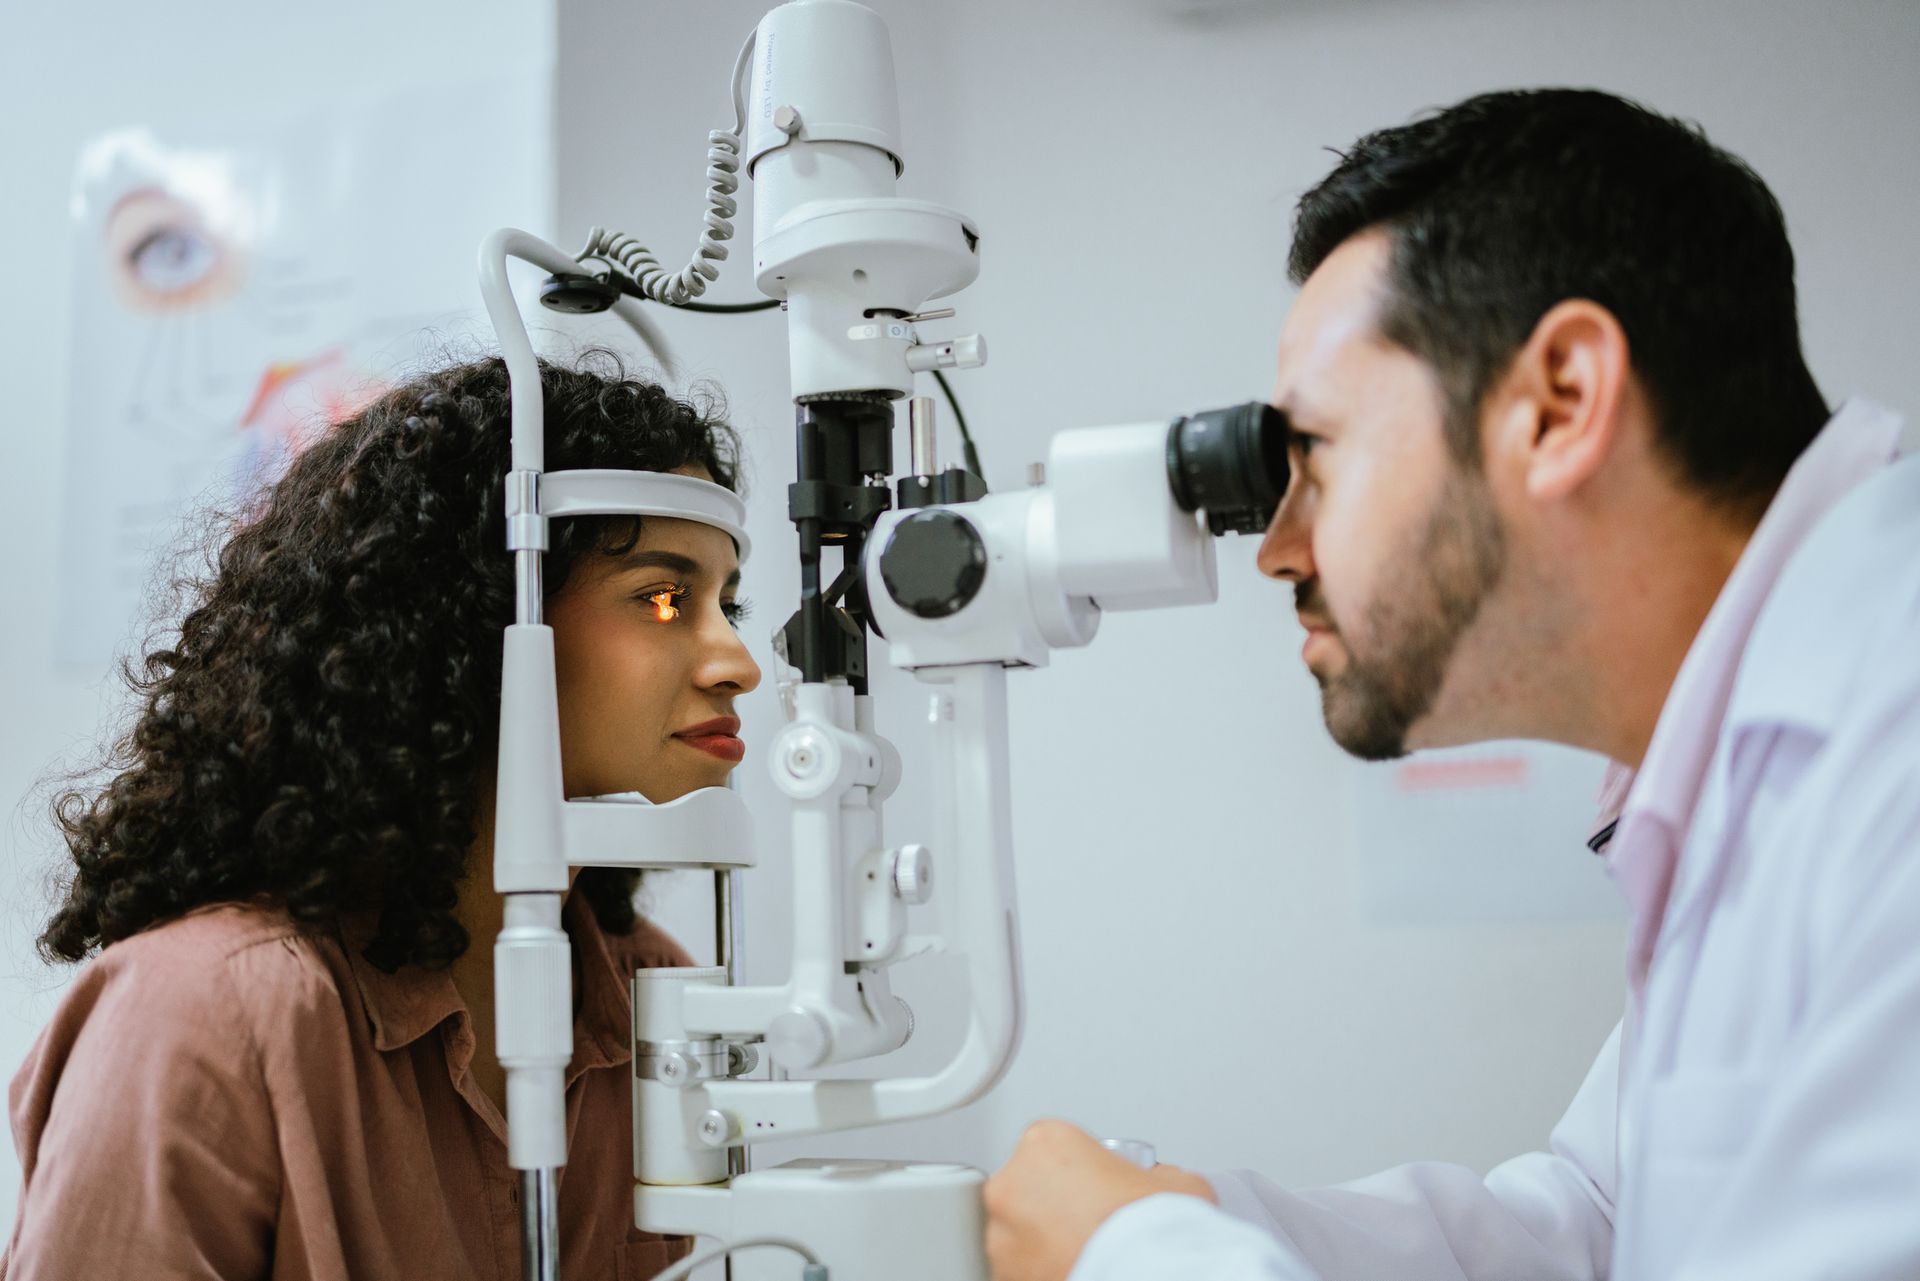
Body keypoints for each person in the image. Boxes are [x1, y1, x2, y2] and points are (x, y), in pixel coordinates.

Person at [983, 87, 1920, 1281]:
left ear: (1562, 403)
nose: (1275, 546)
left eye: (1312, 451)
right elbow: (1600, 1221)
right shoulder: (1759, 757)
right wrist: (1213, 1218)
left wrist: (1141, 1258)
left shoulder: (1891, 750)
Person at [3, 354, 763, 1280]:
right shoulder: (211, 1014)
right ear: (484, 614)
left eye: (729, 601)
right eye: (664, 597)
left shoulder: (650, 991)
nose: (737, 659)